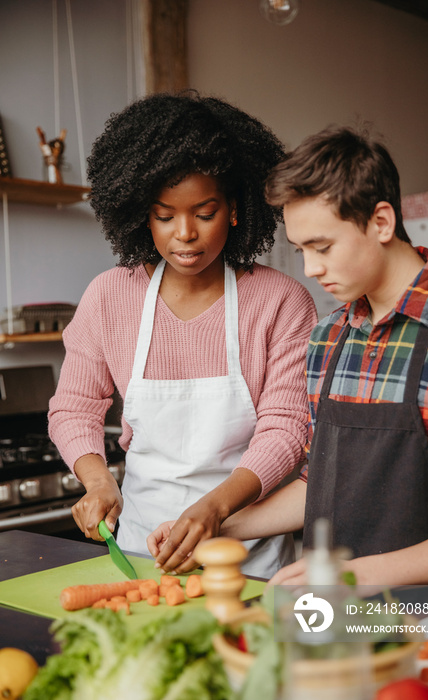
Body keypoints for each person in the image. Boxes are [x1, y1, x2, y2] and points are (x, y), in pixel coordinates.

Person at [48, 91, 317, 578]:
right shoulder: (109, 296)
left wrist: (216, 510)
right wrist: (98, 482)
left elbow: (287, 428)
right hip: (139, 549)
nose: (185, 234)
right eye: (165, 216)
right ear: (141, 214)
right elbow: (74, 405)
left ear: (235, 209)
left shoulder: (280, 301)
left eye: (205, 213)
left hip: (245, 551)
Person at [218, 125, 428, 587]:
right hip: (331, 624)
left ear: (382, 222)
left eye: (323, 247)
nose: (311, 269)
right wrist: (221, 527)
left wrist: (349, 577)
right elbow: (323, 483)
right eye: (300, 250)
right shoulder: (329, 337)